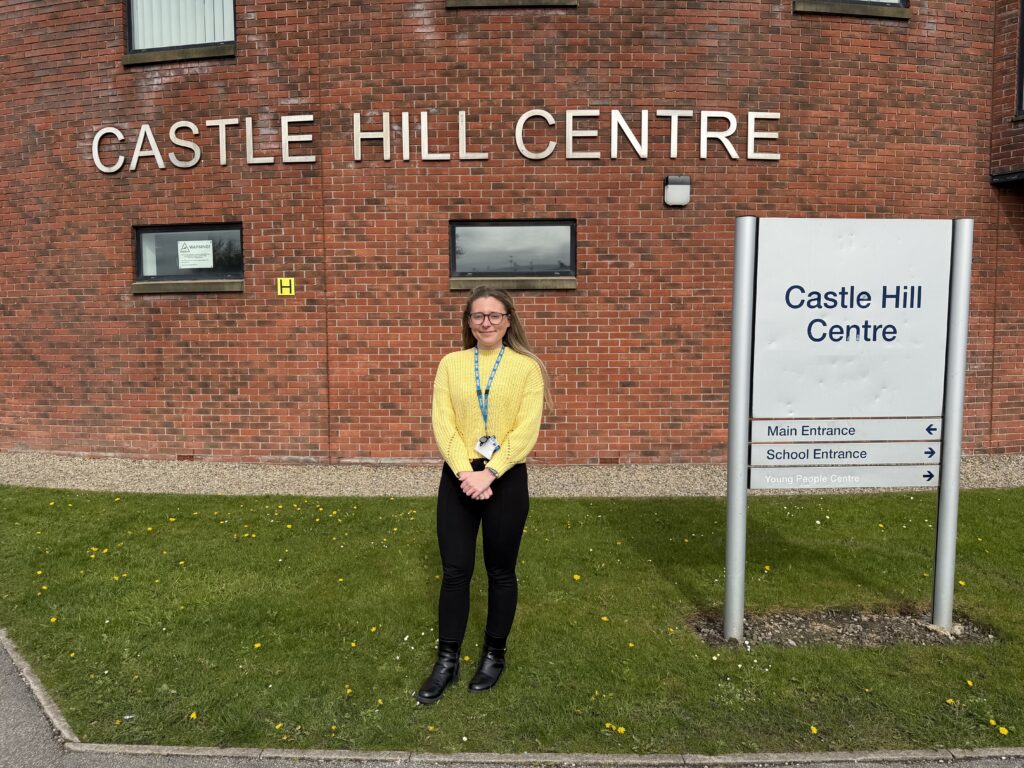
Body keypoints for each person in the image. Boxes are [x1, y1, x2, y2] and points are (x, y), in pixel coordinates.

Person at [415, 285, 550, 705]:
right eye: (478, 315)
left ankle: (494, 654)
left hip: (505, 478)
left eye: (494, 315)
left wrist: (489, 473)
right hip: (458, 478)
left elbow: (525, 430)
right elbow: (443, 423)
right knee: (455, 571)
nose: (486, 322)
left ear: (508, 321)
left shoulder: (527, 368)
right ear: (468, 322)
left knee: (500, 571)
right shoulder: (451, 364)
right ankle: (447, 660)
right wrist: (465, 472)